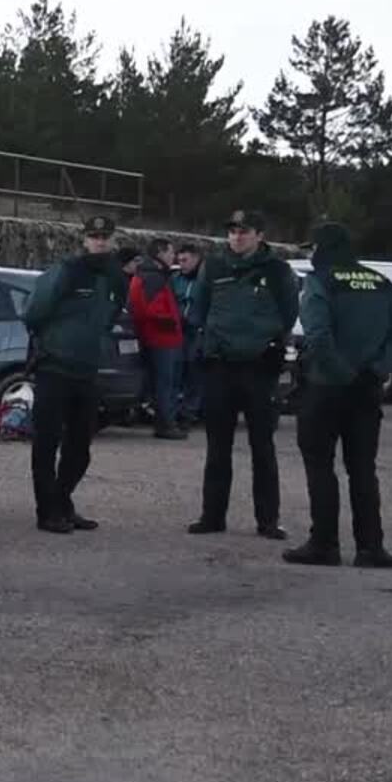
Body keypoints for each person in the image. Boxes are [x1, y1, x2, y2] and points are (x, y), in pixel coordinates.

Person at [284, 223, 392, 569]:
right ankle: (371, 548)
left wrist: (341, 375)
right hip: (367, 389)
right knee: (363, 470)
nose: (310, 255)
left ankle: (324, 544)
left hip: (325, 387)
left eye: (312, 248)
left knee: (321, 467)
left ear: (323, 248)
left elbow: (318, 335)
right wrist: (377, 371)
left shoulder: (320, 282)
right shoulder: (381, 283)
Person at [187, 209, 298, 540]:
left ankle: (267, 520)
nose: (236, 236)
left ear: (259, 235)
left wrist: (265, 341)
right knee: (217, 447)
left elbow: (289, 312)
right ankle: (212, 516)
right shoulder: (215, 265)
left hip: (259, 366)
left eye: (244, 231)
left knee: (262, 446)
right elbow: (199, 309)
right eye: (233, 231)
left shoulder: (277, 271)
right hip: (220, 365)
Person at [22, 215, 127, 533]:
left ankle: (62, 501)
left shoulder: (114, 275)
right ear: (84, 240)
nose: (99, 241)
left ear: (112, 240)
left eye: (104, 237)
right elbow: (34, 312)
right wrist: (53, 343)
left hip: (87, 370)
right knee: (46, 443)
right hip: (55, 367)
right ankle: (48, 512)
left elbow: (112, 312)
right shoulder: (67, 270)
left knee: (80, 447)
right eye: (94, 236)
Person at [130, 237, 189, 440]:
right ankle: (166, 423)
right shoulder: (153, 278)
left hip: (162, 337)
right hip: (162, 338)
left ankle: (165, 421)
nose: (173, 257)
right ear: (160, 253)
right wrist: (174, 321)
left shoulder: (150, 275)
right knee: (165, 383)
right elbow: (149, 309)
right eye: (171, 252)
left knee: (164, 382)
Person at [172, 243, 206, 423]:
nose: (182, 264)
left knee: (194, 370)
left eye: (185, 260)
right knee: (179, 369)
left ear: (196, 258)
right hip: (179, 330)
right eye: (179, 261)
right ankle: (178, 406)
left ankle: (190, 409)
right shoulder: (176, 279)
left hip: (198, 330)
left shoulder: (205, 280)